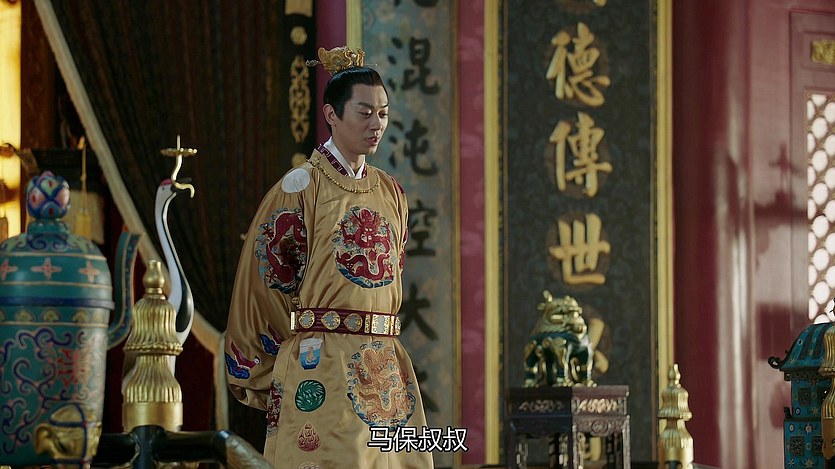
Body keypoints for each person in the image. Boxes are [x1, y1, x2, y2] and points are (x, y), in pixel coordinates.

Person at [225, 46, 434, 469]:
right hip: (320, 364)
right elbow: (266, 282)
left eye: (383, 113)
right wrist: (285, 356)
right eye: (365, 112)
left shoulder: (391, 191)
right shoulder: (301, 186)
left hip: (384, 364)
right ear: (331, 115)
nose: (377, 124)